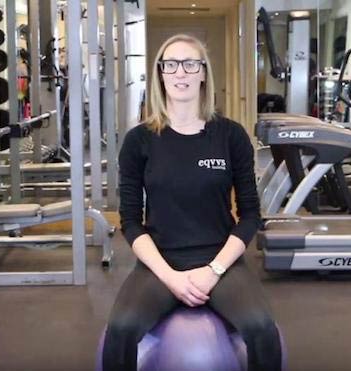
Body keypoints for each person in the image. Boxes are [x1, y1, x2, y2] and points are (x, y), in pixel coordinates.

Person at [101, 34, 282, 371]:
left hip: (220, 260)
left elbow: (250, 216)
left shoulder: (231, 135)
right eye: (170, 64)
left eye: (190, 64)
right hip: (162, 261)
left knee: (261, 329)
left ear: (203, 73)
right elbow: (129, 220)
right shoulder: (139, 140)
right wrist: (170, 277)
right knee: (121, 330)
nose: (180, 72)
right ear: (160, 74)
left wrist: (214, 270)